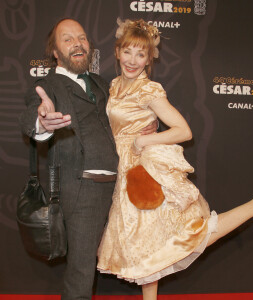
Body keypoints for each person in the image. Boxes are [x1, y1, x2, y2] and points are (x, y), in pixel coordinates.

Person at [96, 19, 253, 300]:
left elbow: (183, 131)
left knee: (193, 236)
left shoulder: (149, 90)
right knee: (148, 249)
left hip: (144, 171)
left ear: (148, 60)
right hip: (125, 173)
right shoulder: (115, 85)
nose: (133, 60)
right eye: (127, 51)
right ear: (117, 51)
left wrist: (145, 139)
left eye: (140, 54)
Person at [19, 18, 157, 300]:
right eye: (67, 39)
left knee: (150, 250)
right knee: (82, 272)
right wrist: (42, 123)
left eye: (81, 38)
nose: (77, 44)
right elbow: (30, 117)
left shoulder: (103, 83)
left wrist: (150, 124)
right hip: (84, 190)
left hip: (123, 188)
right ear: (55, 52)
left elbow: (130, 113)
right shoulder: (49, 85)